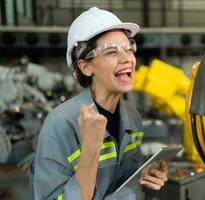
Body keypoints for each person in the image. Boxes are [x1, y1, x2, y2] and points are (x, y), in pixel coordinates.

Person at [30, 7, 168, 200]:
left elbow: (122, 179)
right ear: (85, 67)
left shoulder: (131, 115)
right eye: (112, 52)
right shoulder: (61, 124)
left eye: (129, 49)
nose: (127, 58)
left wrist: (144, 173)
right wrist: (91, 147)